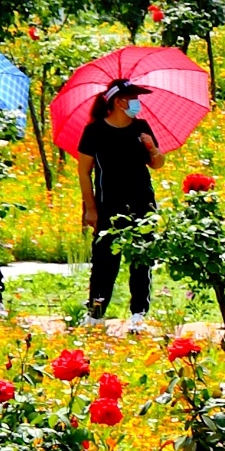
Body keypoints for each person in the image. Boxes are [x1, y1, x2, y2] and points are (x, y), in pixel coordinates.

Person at [75, 80, 160, 323]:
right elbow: (84, 172)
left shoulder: (141, 127)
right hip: (108, 205)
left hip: (143, 203)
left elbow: (157, 163)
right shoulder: (94, 132)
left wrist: (152, 148)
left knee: (141, 260)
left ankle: (138, 314)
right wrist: (90, 209)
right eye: (132, 97)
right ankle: (96, 313)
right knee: (104, 261)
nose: (136, 102)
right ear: (117, 101)